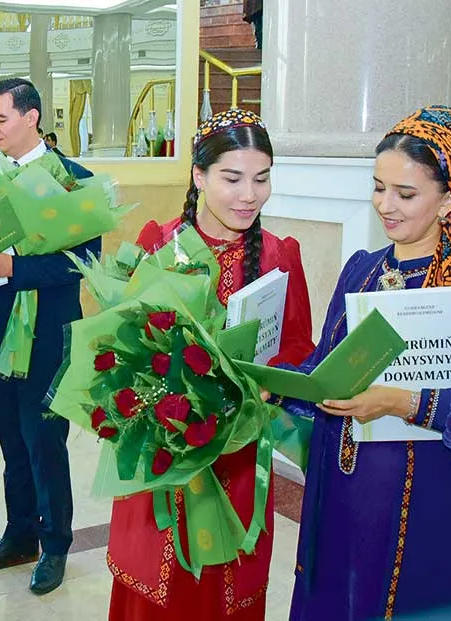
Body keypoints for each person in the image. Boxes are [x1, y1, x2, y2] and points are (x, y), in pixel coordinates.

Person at [282, 105, 451, 620]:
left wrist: (405, 402)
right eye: (379, 188)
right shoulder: (361, 270)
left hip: (430, 504)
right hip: (342, 491)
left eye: (405, 194)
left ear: (448, 198)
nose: (385, 205)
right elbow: (325, 369)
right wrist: (273, 383)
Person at [107, 109, 315, 620]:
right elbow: (118, 345)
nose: (249, 195)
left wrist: (264, 388)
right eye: (232, 178)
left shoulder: (279, 256)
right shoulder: (159, 244)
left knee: (226, 579)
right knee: (159, 577)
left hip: (238, 454)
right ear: (198, 176)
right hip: (165, 450)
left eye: (262, 179)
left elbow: (296, 348)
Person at [0, 77, 101, 595]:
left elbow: (82, 261)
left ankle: (55, 544)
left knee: (44, 443)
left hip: (47, 336)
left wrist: (14, 269)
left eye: (1, 119)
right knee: (11, 443)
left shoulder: (75, 180)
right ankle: (18, 535)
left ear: (31, 117)